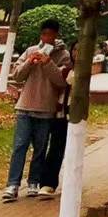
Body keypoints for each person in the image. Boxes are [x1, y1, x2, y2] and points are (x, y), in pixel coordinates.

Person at [3, 18, 72, 201]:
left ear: (56, 35)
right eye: (44, 34)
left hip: (46, 109)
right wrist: (30, 62)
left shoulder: (63, 55)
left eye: (50, 35)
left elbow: (61, 81)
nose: (47, 38)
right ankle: (12, 185)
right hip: (25, 107)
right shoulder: (30, 51)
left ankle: (34, 181)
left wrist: (48, 62)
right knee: (19, 146)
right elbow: (17, 76)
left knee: (40, 148)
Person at [38, 46, 75, 197]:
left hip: (76, 115)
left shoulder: (85, 72)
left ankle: (72, 182)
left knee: (73, 150)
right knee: (55, 147)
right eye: (75, 50)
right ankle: (48, 183)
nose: (77, 53)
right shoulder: (66, 70)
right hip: (61, 114)